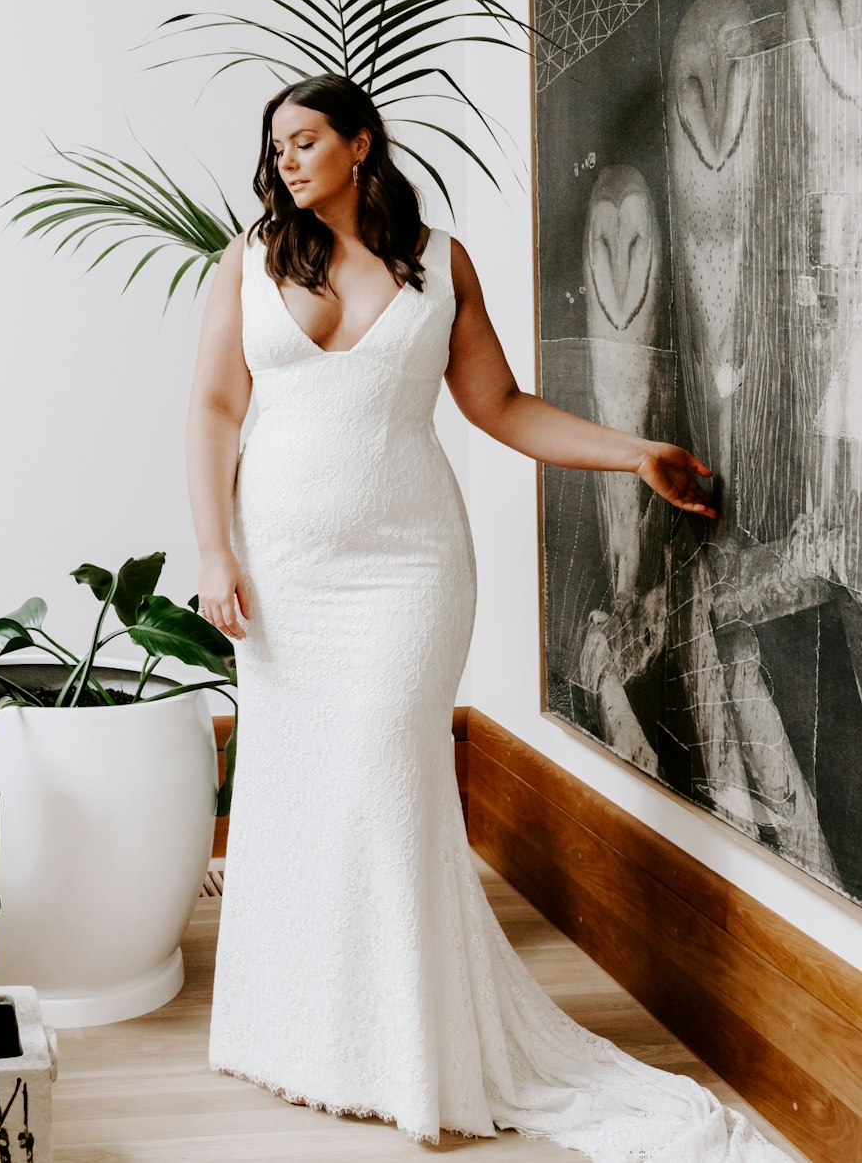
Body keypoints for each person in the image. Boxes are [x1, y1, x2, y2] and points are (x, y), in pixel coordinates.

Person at [185, 73, 792, 1161]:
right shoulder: (249, 260)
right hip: (284, 579)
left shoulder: (439, 263)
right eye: (274, 145)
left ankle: (411, 1050)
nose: (284, 159)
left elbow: (498, 407)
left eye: (306, 139)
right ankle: (310, 1040)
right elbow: (213, 408)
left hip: (409, 570)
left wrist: (632, 452)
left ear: (361, 145)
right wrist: (215, 553)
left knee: (385, 776)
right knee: (298, 792)